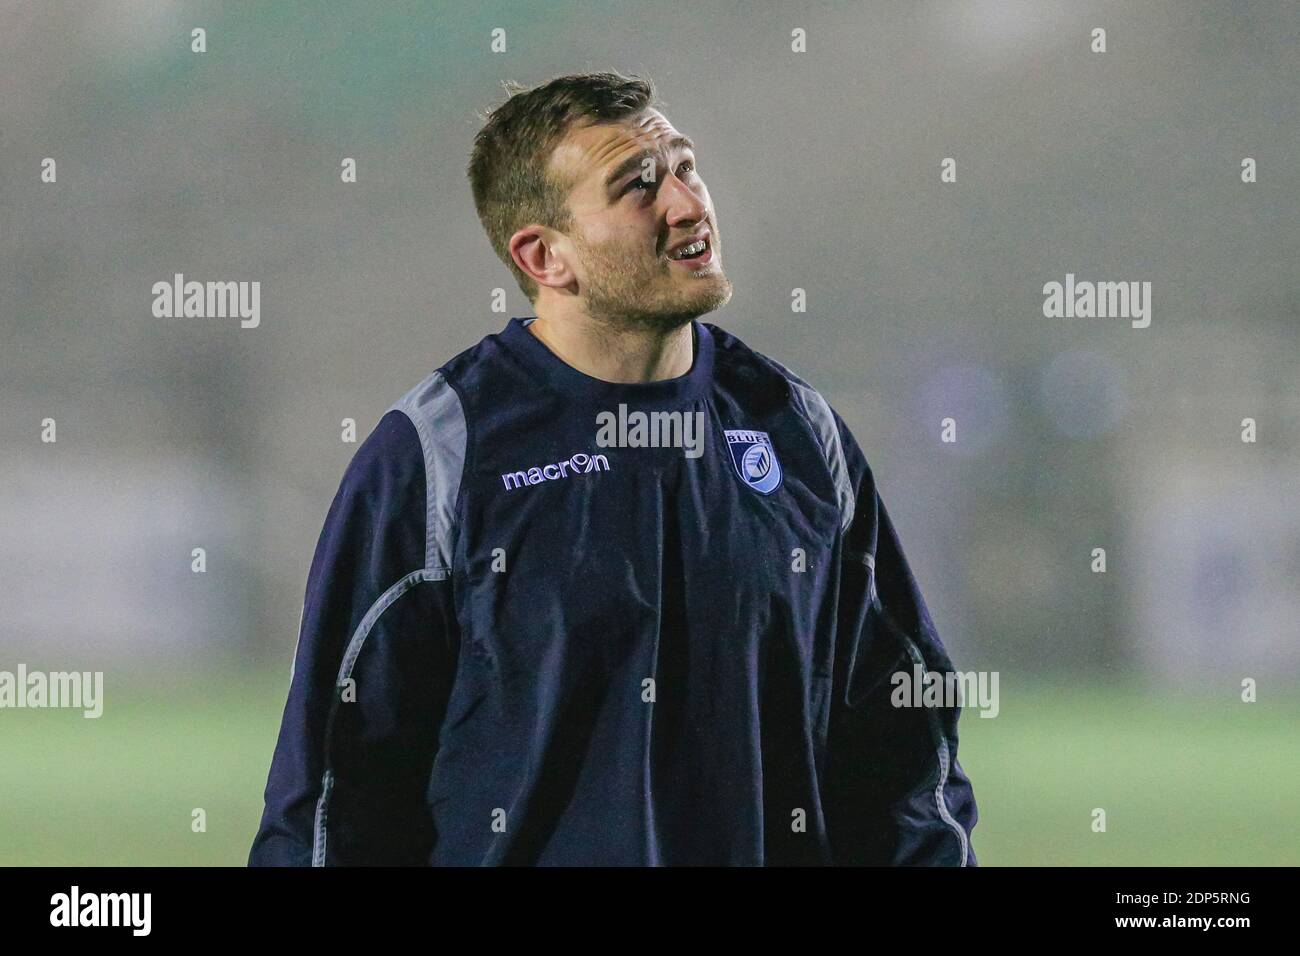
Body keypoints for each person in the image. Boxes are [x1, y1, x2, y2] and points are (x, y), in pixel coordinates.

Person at [249, 70, 978, 866]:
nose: (688, 206)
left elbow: (902, 747)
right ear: (544, 254)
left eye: (686, 168)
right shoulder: (438, 454)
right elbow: (333, 792)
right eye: (638, 186)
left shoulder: (798, 434)